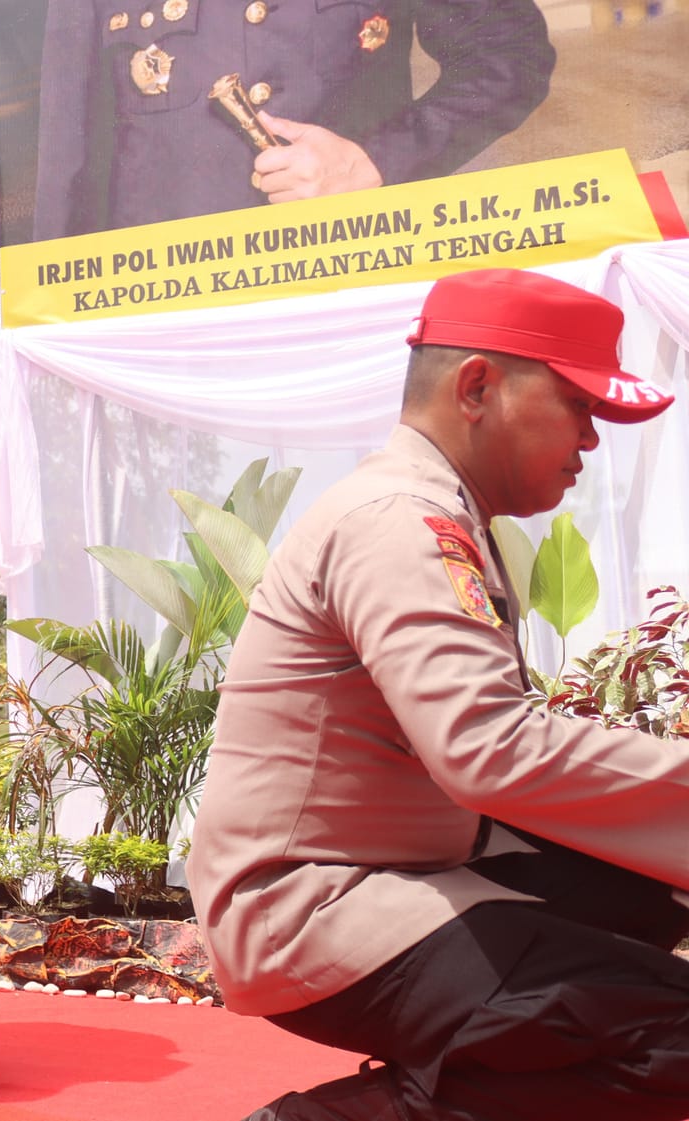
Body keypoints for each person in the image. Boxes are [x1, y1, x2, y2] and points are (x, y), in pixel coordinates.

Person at [187, 267, 688, 1120]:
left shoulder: (435, 512)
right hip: (310, 901)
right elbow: (486, 746)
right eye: (578, 403)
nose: (591, 438)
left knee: (647, 895)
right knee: (669, 1036)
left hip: (396, 865)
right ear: (477, 387)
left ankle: (461, 1065)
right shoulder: (400, 519)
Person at [28, 0, 556, 241]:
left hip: (349, 293)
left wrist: (376, 161)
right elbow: (68, 157)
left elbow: (510, 57)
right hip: (173, 328)